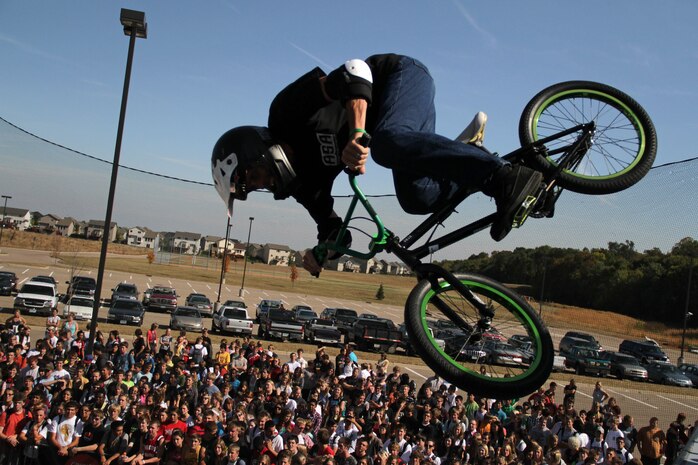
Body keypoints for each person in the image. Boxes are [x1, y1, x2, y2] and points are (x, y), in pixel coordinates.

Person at [211, 54, 544, 276]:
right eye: (253, 189)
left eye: (252, 176)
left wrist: (357, 132)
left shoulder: (285, 113)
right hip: (397, 130)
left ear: (252, 150)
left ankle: (503, 176)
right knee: (417, 199)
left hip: (399, 77)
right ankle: (475, 155)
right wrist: (322, 251)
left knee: (384, 143)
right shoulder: (304, 185)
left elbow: (356, 71)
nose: (261, 184)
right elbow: (334, 230)